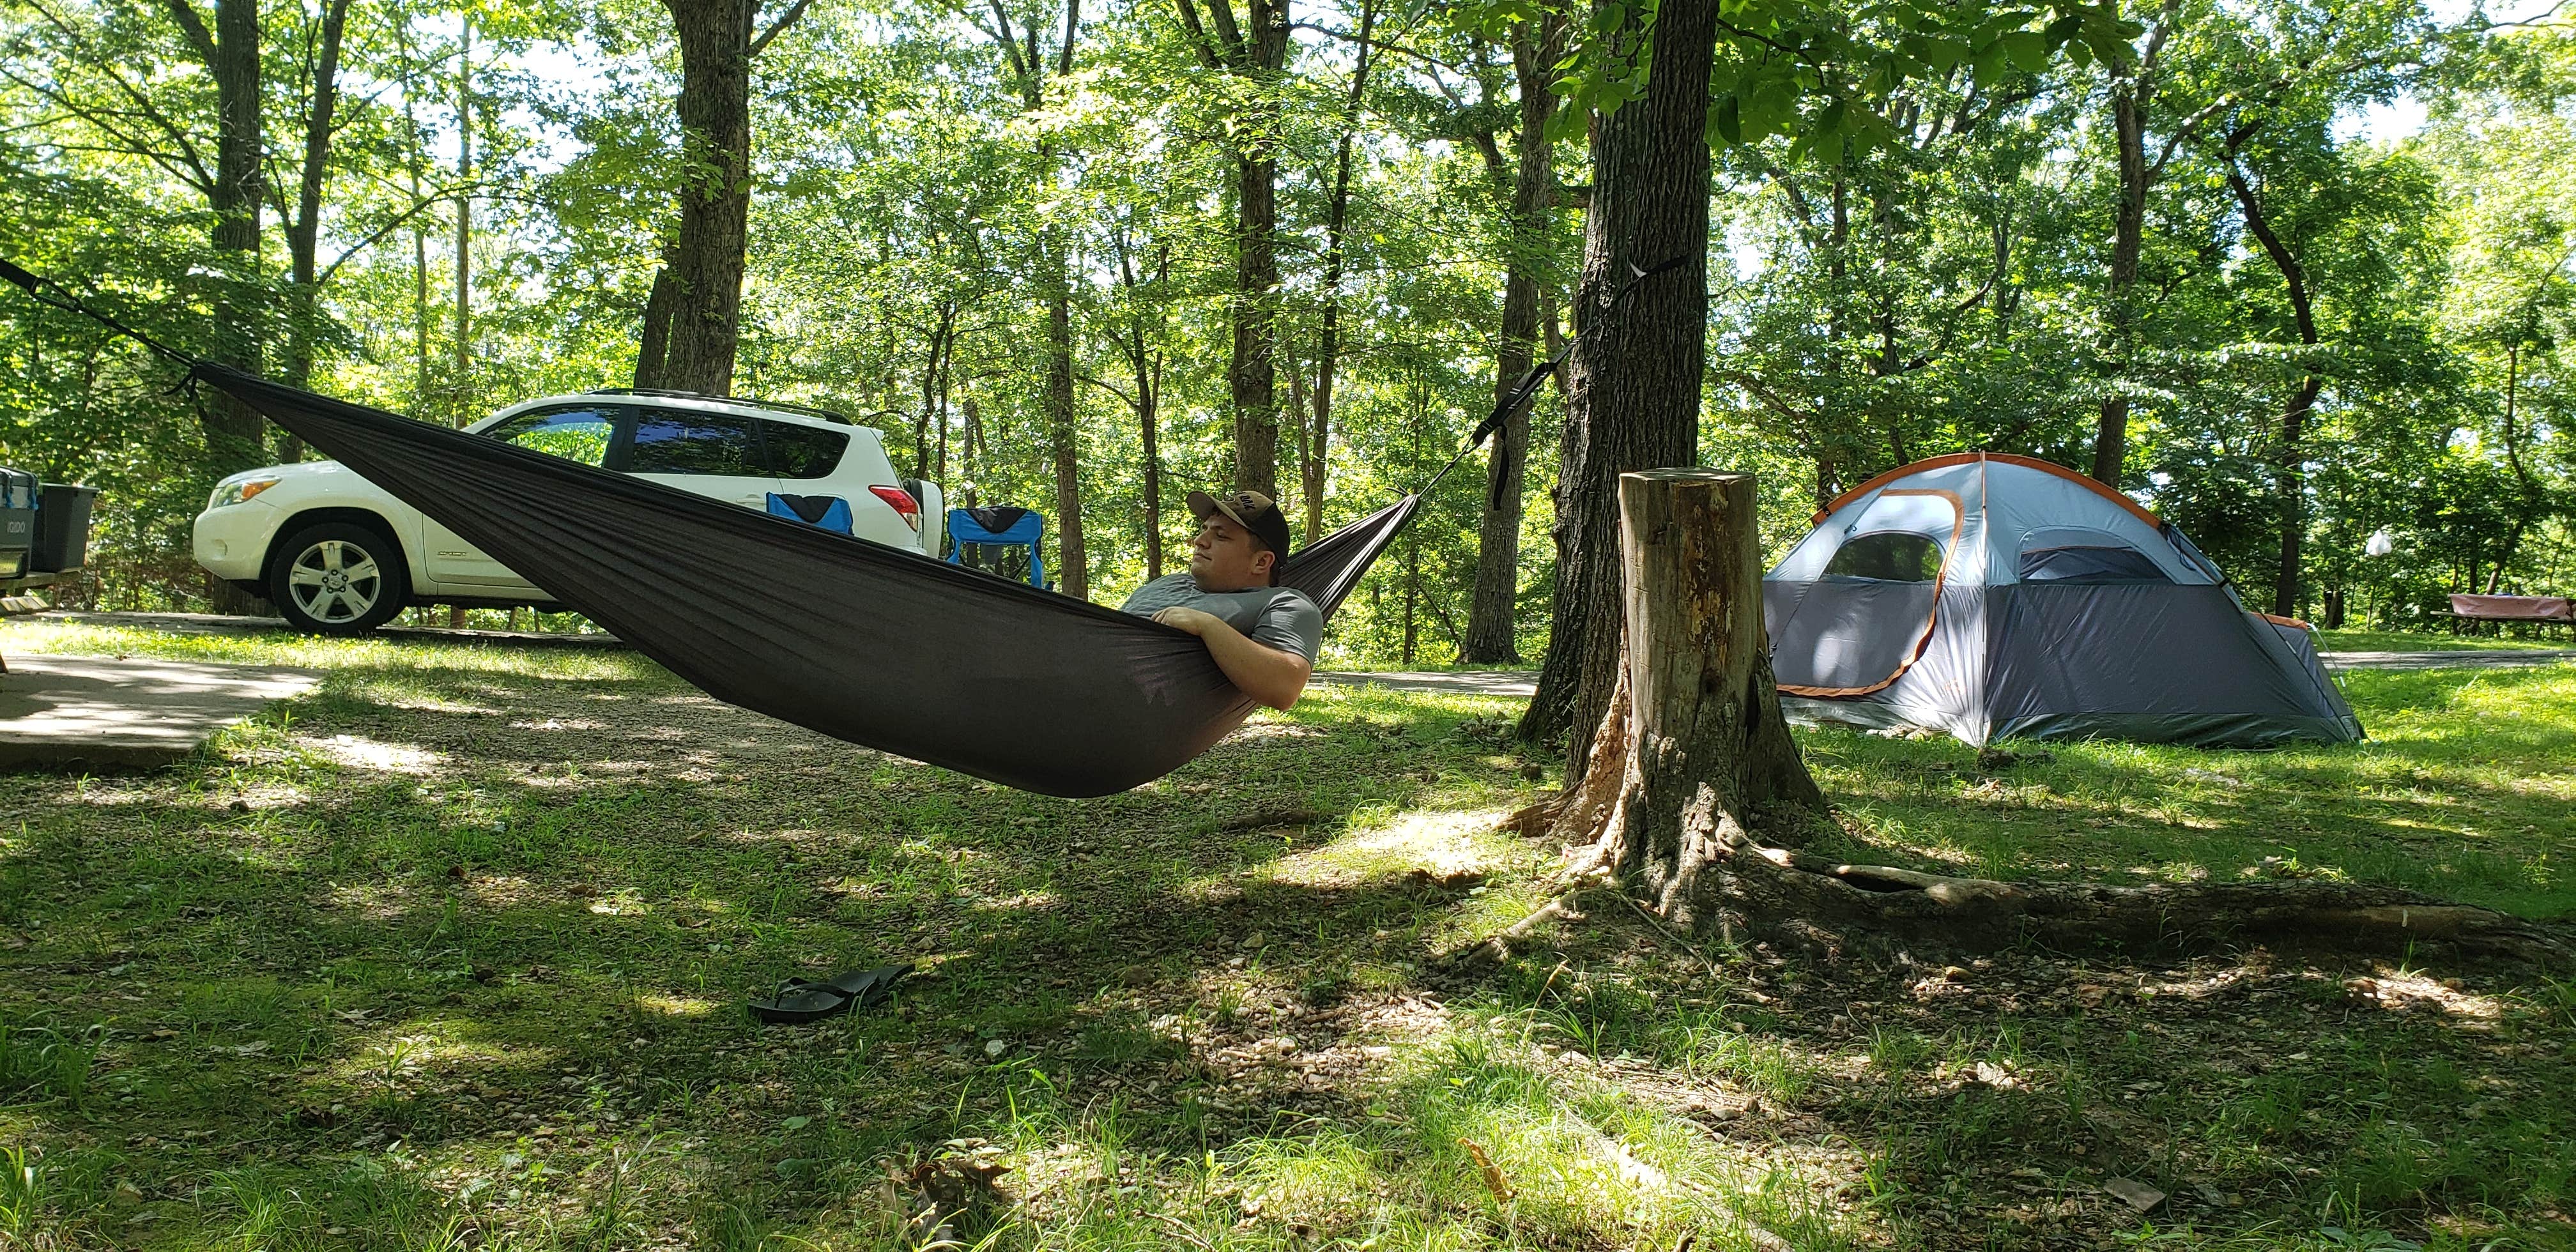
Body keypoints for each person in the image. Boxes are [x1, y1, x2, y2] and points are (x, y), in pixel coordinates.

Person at [1120, 489, 1321, 710]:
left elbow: (1284, 688)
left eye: (1221, 536)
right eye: (1203, 529)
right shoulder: (1168, 582)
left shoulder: (1284, 604)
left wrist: (1208, 626)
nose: (1199, 541)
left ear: (1261, 562)